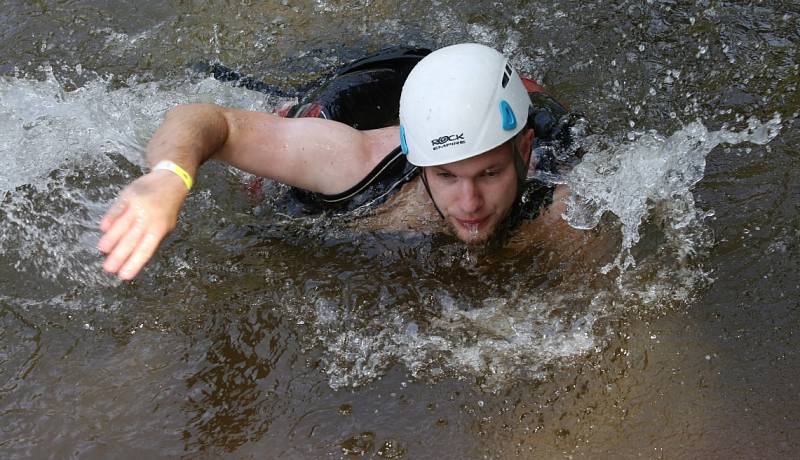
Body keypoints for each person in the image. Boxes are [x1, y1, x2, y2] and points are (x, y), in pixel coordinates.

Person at [98, 43, 582, 280]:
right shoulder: (354, 162)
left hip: (494, 95)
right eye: (446, 176)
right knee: (273, 164)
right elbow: (203, 119)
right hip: (354, 97)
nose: (469, 201)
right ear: (420, 161)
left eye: (490, 174)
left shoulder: (559, 189)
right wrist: (169, 177)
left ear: (521, 153)